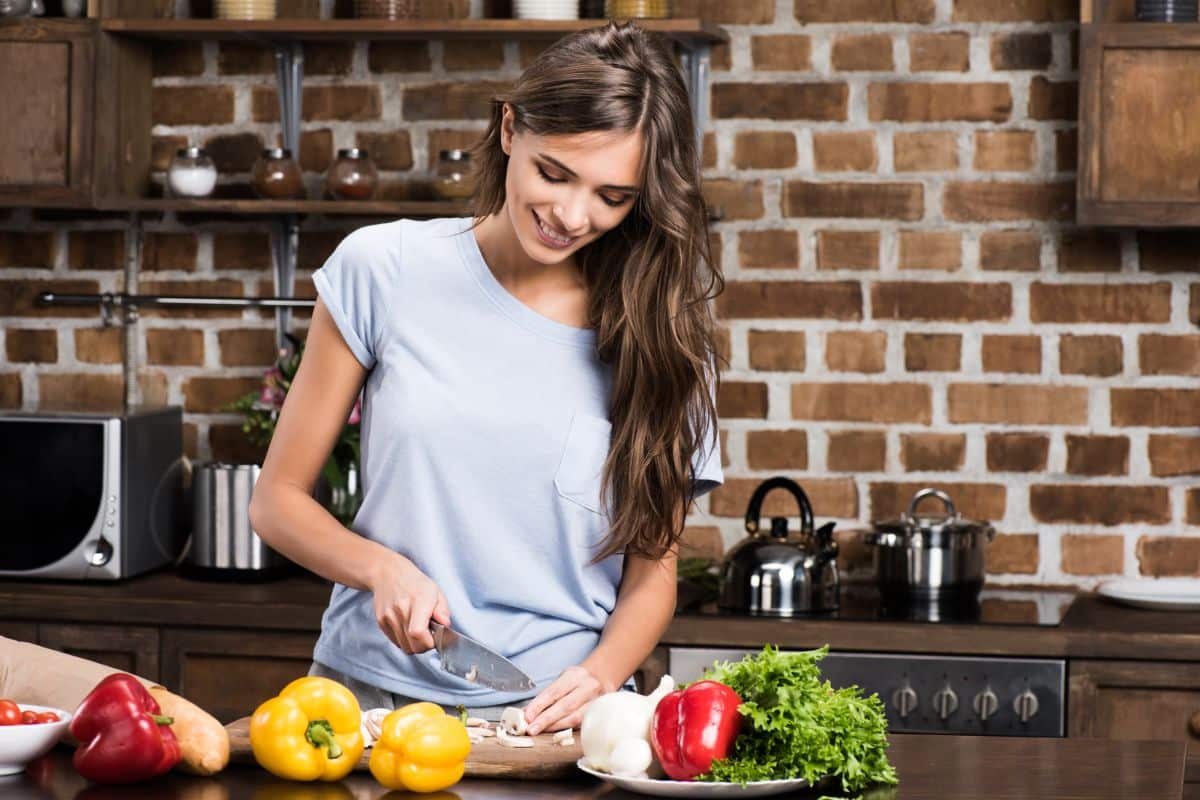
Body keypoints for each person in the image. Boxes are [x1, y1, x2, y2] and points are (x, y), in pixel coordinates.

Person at [248, 20, 724, 736]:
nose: (571, 215)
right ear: (509, 130)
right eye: (555, 173)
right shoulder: (384, 269)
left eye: (611, 197)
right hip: (360, 704)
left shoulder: (666, 340)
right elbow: (276, 503)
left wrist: (597, 677)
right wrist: (380, 567)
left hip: (549, 720)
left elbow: (652, 574)